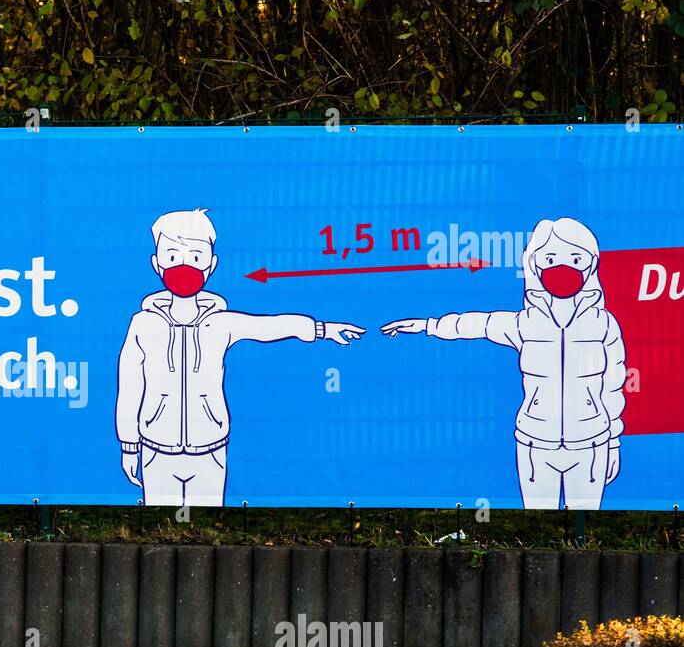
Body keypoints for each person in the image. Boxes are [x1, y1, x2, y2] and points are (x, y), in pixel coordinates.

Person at [115, 207, 365, 507]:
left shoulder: (221, 323)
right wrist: (129, 445)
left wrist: (322, 329)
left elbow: (270, 326)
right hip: (155, 447)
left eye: (195, 257)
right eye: (172, 257)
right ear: (157, 264)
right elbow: (130, 387)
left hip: (210, 446)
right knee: (159, 524)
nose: (184, 267)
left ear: (211, 265)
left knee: (207, 523)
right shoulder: (143, 324)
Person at [381, 217, 627, 509]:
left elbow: (613, 385)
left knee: (583, 528)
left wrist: (613, 442)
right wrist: (428, 325)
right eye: (551, 258)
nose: (564, 268)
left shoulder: (604, 324)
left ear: (590, 264)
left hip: (591, 443)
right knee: (538, 526)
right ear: (535, 265)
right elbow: (475, 324)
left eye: (575, 258)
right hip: (535, 443)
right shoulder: (524, 323)